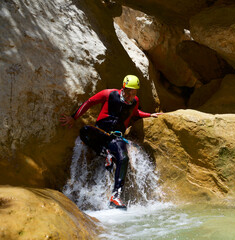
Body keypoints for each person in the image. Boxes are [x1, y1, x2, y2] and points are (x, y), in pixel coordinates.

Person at [60, 75, 161, 209]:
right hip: (100, 133)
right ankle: (105, 154)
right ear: (123, 88)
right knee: (84, 131)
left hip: (116, 138)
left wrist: (149, 115)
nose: (130, 96)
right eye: (128, 92)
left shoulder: (134, 101)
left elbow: (135, 112)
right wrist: (74, 117)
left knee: (123, 158)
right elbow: (89, 102)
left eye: (134, 93)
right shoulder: (109, 94)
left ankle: (115, 197)